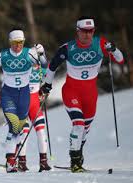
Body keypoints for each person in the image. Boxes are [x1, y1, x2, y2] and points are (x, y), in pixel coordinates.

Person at [40, 16, 124, 173]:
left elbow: (120, 59)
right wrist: (47, 85)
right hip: (72, 91)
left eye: (90, 31)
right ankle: (75, 161)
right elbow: (52, 66)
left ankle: (78, 153)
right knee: (78, 125)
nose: (87, 35)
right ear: (77, 31)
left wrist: (114, 49)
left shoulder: (101, 44)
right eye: (84, 31)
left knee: (85, 129)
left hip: (91, 94)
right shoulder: (68, 48)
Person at [0, 29, 48, 173]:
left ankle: (14, 159)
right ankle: (10, 162)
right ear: (10, 42)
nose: (18, 45)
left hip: (24, 94)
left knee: (19, 129)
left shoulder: (30, 53)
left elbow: (45, 67)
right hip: (8, 94)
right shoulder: (2, 56)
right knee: (14, 124)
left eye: (21, 42)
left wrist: (42, 54)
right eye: (15, 43)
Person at [18, 64, 51, 172]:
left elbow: (48, 79)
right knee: (24, 132)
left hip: (35, 105)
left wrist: (44, 91)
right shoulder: (22, 66)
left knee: (41, 131)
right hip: (22, 104)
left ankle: (43, 162)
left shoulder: (43, 68)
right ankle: (21, 163)